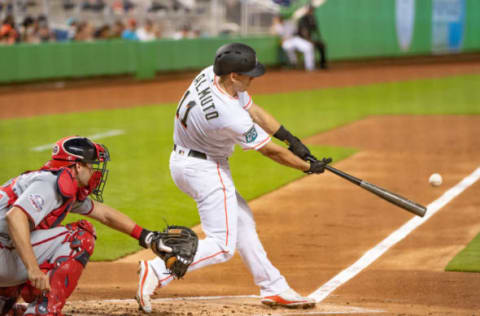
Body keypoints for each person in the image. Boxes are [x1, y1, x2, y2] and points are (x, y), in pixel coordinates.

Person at [136, 43, 331, 313]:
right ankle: (157, 270)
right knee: (222, 245)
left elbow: (254, 110)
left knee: (243, 223)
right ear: (234, 76)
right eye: (249, 73)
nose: (253, 77)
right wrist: (306, 167)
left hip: (185, 161)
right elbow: (269, 151)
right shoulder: (227, 112)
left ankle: (273, 286)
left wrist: (291, 139)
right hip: (204, 169)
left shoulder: (211, 74)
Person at [0, 136, 170, 315]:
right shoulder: (49, 183)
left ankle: (5, 302)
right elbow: (15, 216)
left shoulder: (60, 186)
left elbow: (104, 214)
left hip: (3, 252)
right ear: (77, 166)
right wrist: (33, 269)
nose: (94, 171)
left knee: (25, 242)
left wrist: (147, 237)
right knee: (80, 236)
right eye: (90, 165)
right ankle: (43, 311)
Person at [297, 5, 328, 69]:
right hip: (302, 39)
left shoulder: (312, 18)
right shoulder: (302, 19)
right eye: (310, 10)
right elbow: (304, 32)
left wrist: (319, 39)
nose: (312, 11)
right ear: (307, 11)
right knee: (311, 46)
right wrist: (310, 41)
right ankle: (310, 66)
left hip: (310, 39)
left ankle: (322, 64)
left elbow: (316, 30)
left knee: (322, 45)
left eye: (312, 10)